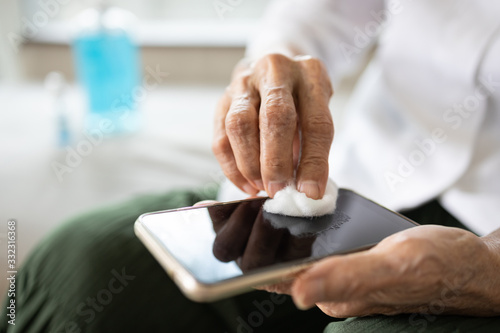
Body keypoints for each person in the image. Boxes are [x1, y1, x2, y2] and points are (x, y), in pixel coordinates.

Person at [2, 0, 500, 332]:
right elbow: (327, 13)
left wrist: (491, 272)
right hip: (363, 178)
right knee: (86, 263)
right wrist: (274, 65)